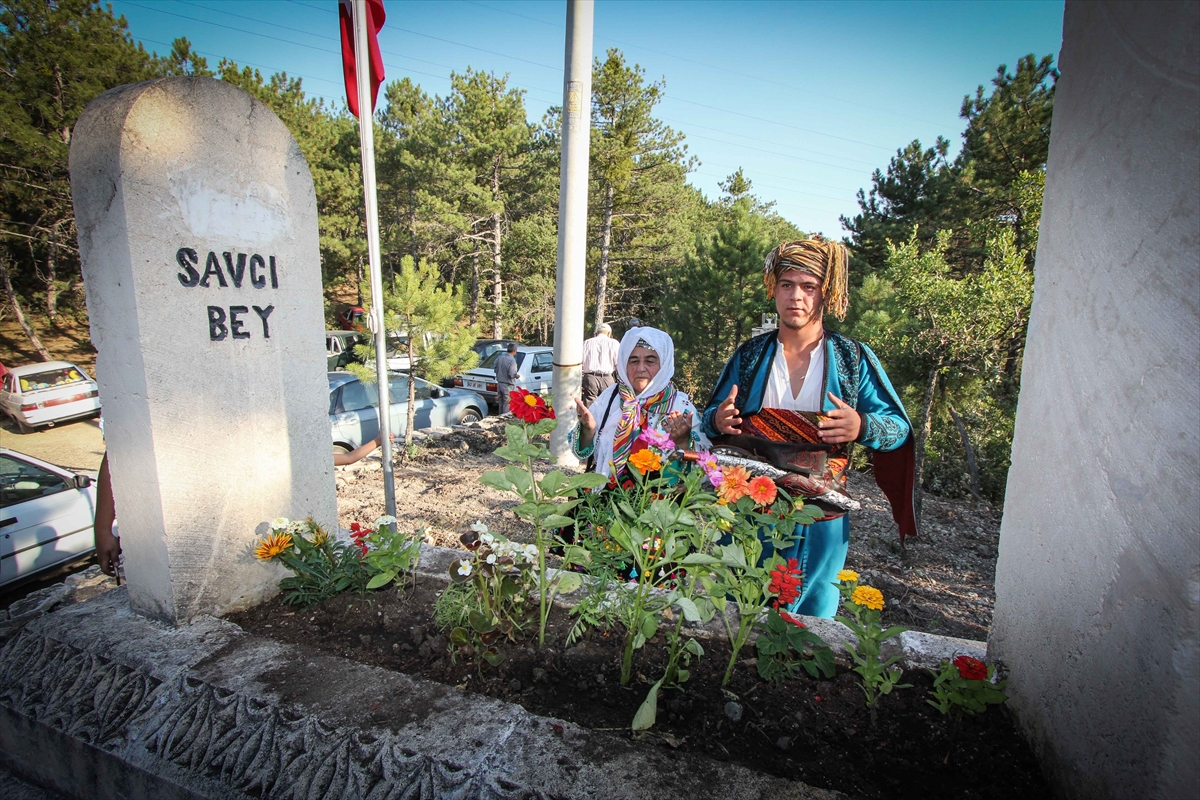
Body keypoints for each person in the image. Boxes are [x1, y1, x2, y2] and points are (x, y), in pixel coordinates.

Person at [702, 237, 916, 618]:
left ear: (826, 293)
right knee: (741, 613)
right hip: (751, 513)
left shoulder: (852, 360)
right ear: (774, 289)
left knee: (813, 622)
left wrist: (862, 425)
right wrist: (718, 419)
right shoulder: (749, 357)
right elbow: (709, 418)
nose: (796, 296)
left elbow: (898, 428)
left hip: (822, 520)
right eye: (787, 284)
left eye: (808, 286)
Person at [93, 432, 394, 577]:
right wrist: (102, 529)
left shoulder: (282, 449)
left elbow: (347, 458)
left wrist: (378, 442)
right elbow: (118, 458)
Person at [571, 326, 710, 483]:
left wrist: (684, 442)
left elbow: (706, 470)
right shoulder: (610, 398)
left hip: (663, 497)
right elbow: (581, 453)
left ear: (664, 364)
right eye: (634, 361)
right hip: (607, 494)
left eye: (650, 361)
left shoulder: (681, 408)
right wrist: (588, 430)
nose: (641, 368)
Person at [580, 323, 620, 406]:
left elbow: (580, 362)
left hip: (590, 377)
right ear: (609, 333)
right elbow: (618, 363)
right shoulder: (614, 343)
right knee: (609, 403)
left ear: (596, 333)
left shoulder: (586, 343)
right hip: (607, 377)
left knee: (590, 402)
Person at [494, 342, 521, 416]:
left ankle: (499, 418)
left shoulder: (500, 358)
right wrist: (517, 376)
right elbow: (512, 374)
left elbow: (495, 369)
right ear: (514, 350)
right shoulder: (512, 360)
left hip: (499, 383)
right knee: (507, 404)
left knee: (501, 403)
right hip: (508, 385)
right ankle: (504, 419)